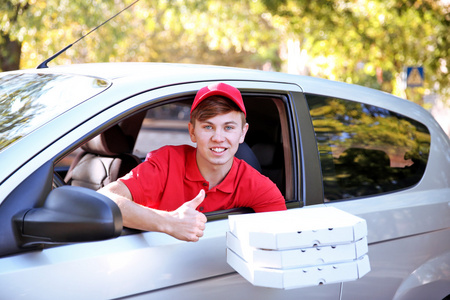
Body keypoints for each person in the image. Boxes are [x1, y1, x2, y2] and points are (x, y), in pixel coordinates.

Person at [98, 82, 286, 242]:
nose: (218, 138)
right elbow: (104, 200)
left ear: (243, 133)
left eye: (228, 127)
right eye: (208, 127)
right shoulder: (167, 162)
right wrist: (170, 222)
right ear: (192, 131)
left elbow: (285, 236)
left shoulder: (254, 183)